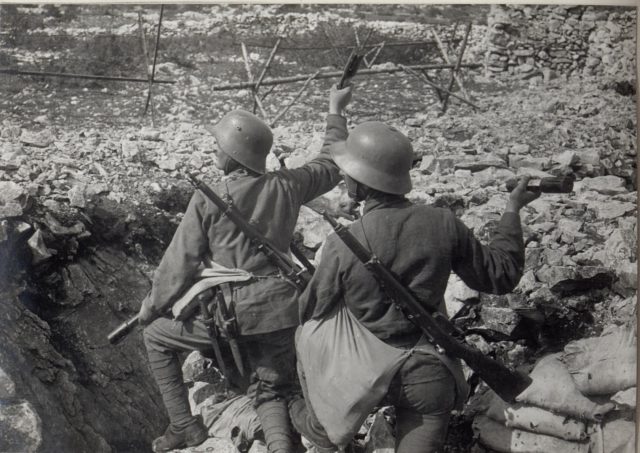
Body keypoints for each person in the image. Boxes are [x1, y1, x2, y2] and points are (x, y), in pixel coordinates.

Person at [290, 121, 540, 453]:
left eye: (348, 170)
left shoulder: (341, 244)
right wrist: (512, 209)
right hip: (428, 377)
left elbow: (311, 311)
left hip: (359, 380)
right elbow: (501, 276)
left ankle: (320, 429)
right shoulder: (443, 223)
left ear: (360, 183)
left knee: (304, 338)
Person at [138, 84, 353, 453]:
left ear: (234, 153)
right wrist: (335, 108)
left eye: (219, 144)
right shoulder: (288, 186)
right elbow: (331, 163)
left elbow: (180, 262)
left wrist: (151, 307)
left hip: (233, 316)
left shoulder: (208, 197)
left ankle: (183, 426)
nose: (215, 149)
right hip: (284, 311)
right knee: (270, 388)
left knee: (155, 337)